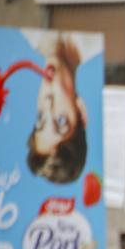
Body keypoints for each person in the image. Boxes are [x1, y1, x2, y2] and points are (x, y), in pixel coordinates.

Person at [27, 34, 88, 184]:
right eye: (61, 120)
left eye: (40, 118)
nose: (48, 102)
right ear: (80, 111)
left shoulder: (29, 35)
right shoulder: (92, 41)